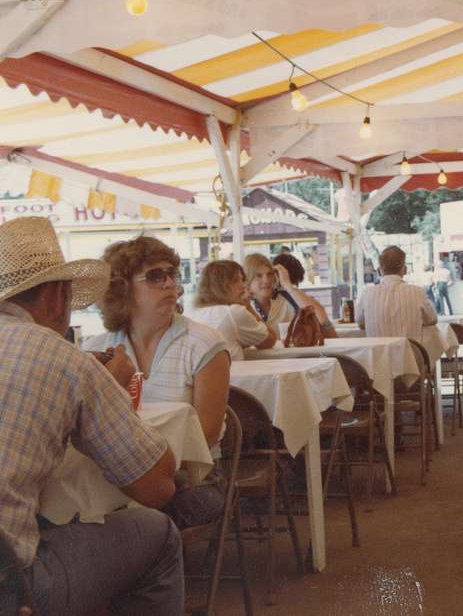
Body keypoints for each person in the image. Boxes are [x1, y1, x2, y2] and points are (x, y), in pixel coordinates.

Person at [0, 217, 183, 615]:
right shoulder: (62, 356)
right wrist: (111, 390)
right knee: (158, 534)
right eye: (157, 277)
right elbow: (157, 487)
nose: (171, 285)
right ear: (56, 295)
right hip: (10, 586)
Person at [86, 236, 230, 530]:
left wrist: (143, 470)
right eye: (155, 276)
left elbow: (207, 434)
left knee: (123, 523)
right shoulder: (99, 348)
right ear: (122, 288)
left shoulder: (203, 342)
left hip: (195, 482)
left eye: (172, 274)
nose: (169, 284)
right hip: (120, 479)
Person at [189, 260, 277, 361]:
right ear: (220, 286)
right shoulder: (233, 312)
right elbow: (269, 341)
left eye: (242, 280)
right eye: (236, 280)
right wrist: (248, 307)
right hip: (233, 375)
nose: (243, 286)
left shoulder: (192, 313)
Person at [246, 252, 336, 337]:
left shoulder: (287, 297)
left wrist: (288, 285)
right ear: (248, 279)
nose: (266, 280)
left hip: (295, 353)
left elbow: (322, 318)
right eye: (259, 276)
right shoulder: (243, 305)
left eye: (269, 274)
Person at [357, 246, 437, 341]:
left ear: (378, 271)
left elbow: (361, 324)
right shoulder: (417, 292)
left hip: (377, 355)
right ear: (405, 270)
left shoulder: (367, 294)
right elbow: (432, 320)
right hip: (411, 354)